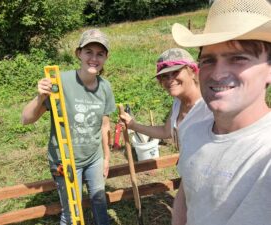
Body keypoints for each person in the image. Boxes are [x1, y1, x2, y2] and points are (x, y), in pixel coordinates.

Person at [171, 0, 271, 224]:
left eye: (238, 58)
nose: (217, 74)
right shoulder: (192, 131)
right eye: (208, 60)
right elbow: (187, 196)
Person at [21, 29, 115, 225]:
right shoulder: (60, 82)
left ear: (106, 57)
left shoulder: (105, 87)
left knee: (100, 202)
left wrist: (106, 157)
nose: (94, 58)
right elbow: (26, 119)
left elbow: (104, 125)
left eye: (100, 53)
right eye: (89, 51)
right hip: (65, 161)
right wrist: (40, 97)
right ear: (78, 53)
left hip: (94, 158)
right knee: (72, 212)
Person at [120, 48, 212, 151]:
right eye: (165, 76)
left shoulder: (209, 106)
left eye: (175, 72)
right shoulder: (178, 101)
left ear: (193, 72)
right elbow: (165, 131)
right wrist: (133, 125)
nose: (170, 80)